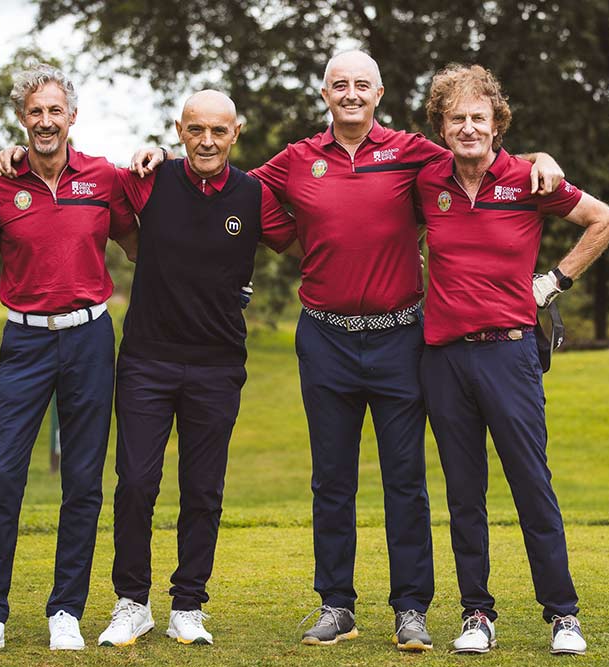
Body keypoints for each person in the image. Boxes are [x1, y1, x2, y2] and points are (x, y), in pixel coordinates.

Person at [125, 49, 565, 653]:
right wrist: (161, 157)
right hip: (325, 337)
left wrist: (541, 160)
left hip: (399, 337)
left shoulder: (413, 152)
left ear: (378, 93)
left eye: (362, 84)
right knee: (331, 480)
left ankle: (410, 608)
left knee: (405, 480)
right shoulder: (297, 159)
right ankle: (336, 604)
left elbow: (481, 156)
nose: (351, 93)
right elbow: (225, 177)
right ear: (325, 93)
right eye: (340, 84)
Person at [415, 63, 609, 656]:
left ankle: (563, 615)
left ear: (496, 124)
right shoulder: (427, 180)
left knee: (532, 485)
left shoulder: (528, 179)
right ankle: (477, 613)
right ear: (441, 127)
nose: (468, 127)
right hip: (444, 360)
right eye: (457, 118)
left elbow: (604, 220)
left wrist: (553, 282)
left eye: (479, 117)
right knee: (464, 494)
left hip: (510, 355)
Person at [92, 90, 298, 648]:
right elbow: (88, 182)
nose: (207, 141)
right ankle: (132, 602)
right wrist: (18, 157)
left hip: (217, 364)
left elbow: (301, 240)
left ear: (236, 133)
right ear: (179, 130)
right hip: (147, 360)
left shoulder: (253, 194)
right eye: (196, 129)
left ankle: (188, 604)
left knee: (203, 490)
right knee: (136, 483)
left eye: (218, 130)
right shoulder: (150, 179)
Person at [0, 63, 138, 656]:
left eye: (54, 110)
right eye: (34, 111)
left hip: (90, 339)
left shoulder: (103, 177)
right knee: (2, 475)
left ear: (72, 116)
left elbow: (140, 247)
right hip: (25, 344)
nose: (45, 121)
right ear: (21, 118)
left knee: (83, 481)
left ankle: (66, 610)